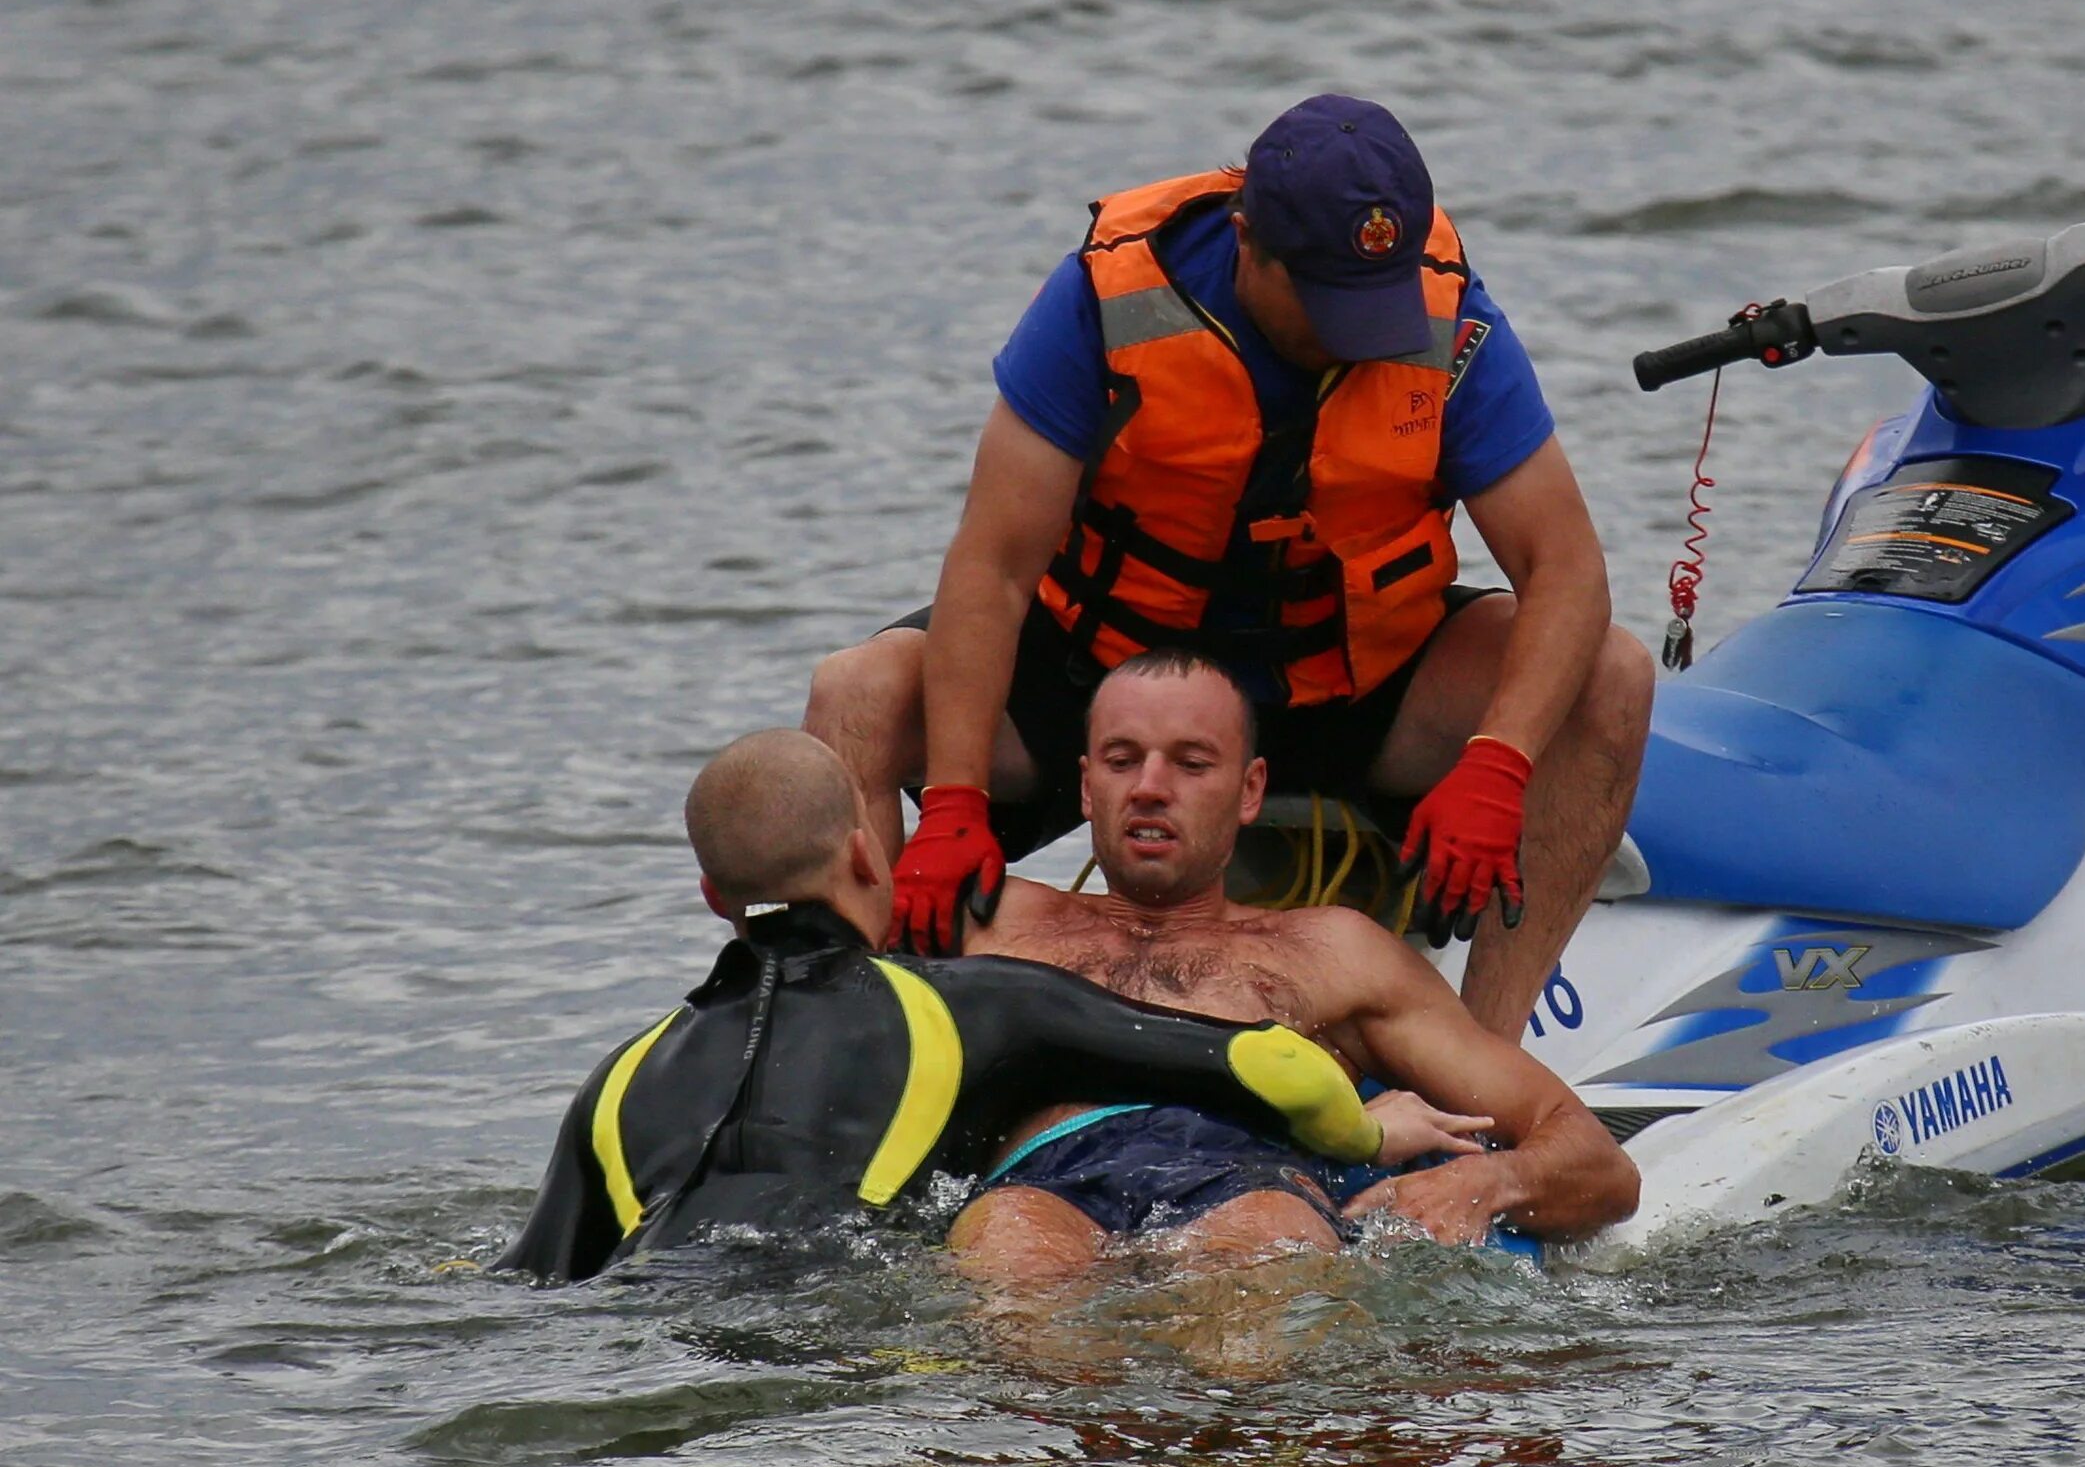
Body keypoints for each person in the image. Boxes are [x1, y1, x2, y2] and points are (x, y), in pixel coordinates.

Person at [804, 94, 1653, 1036]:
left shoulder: (1443, 315)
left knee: (1608, 677)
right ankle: (863, 1049)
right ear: (1250, 240)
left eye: (1375, 302)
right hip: (1110, 687)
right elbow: (993, 570)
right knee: (857, 692)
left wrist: (1498, 766)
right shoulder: (1109, 301)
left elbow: (1567, 569)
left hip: (1343, 689)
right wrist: (956, 800)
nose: (1356, 334)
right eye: (1329, 300)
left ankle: (1489, 1069)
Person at [497, 729, 1419, 1286]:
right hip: (828, 1323)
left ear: (711, 895)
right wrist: (1374, 1133)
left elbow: (530, 1279)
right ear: (868, 858)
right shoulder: (967, 1009)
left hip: (648, 1306)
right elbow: (1270, 1065)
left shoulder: (619, 1077)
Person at [945, 649, 1641, 1289]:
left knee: (1262, 1245)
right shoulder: (987, 921)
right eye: (1122, 760)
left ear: (1250, 790)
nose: (1151, 787)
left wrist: (1488, 1182)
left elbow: (1594, 1159)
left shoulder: (1333, 953)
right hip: (1041, 1184)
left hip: (1254, 1186)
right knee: (1010, 1247)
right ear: (1087, 787)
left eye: (1191, 763)